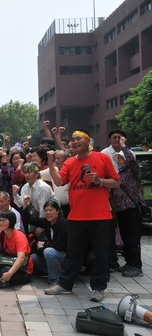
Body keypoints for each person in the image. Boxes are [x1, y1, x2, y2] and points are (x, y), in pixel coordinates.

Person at [44, 129, 120, 302]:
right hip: (76, 217)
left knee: (101, 254)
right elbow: (58, 181)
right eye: (72, 139)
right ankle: (65, 285)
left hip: (100, 217)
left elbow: (116, 182)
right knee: (73, 253)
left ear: (88, 141)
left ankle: (98, 288)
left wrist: (99, 181)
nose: (74, 142)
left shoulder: (102, 158)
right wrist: (50, 162)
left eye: (78, 138)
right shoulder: (70, 162)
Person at [111, 138, 144, 277]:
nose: (119, 160)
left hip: (131, 208)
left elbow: (131, 159)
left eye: (121, 158)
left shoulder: (133, 171)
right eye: (117, 158)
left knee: (132, 239)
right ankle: (129, 263)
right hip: (121, 210)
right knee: (125, 238)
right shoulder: (119, 173)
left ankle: (137, 266)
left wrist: (124, 145)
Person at [23, 199, 68, 285]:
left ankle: (55, 280)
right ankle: (58, 273)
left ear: (58, 211)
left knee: (48, 251)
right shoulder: (47, 222)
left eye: (51, 210)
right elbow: (31, 220)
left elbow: (61, 245)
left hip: (65, 256)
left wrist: (44, 245)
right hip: (55, 252)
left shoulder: (63, 223)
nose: (48, 213)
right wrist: (25, 205)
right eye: (46, 210)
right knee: (33, 257)